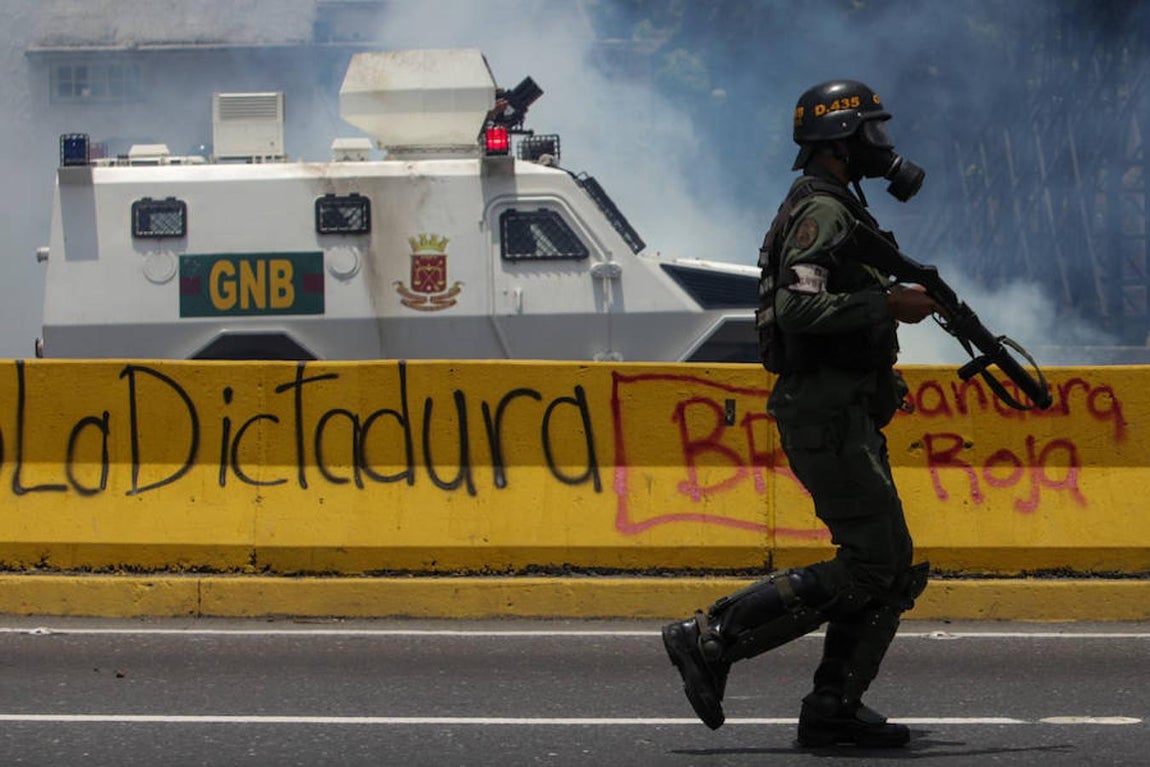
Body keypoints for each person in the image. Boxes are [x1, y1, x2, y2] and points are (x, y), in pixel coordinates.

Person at [662, 80, 938, 748]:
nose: (882, 143)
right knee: (877, 563)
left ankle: (833, 706)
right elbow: (797, 308)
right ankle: (715, 636)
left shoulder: (838, 207)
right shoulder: (824, 211)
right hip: (823, 412)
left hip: (839, 407)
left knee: (889, 562)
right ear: (842, 141)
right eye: (870, 130)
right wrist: (887, 306)